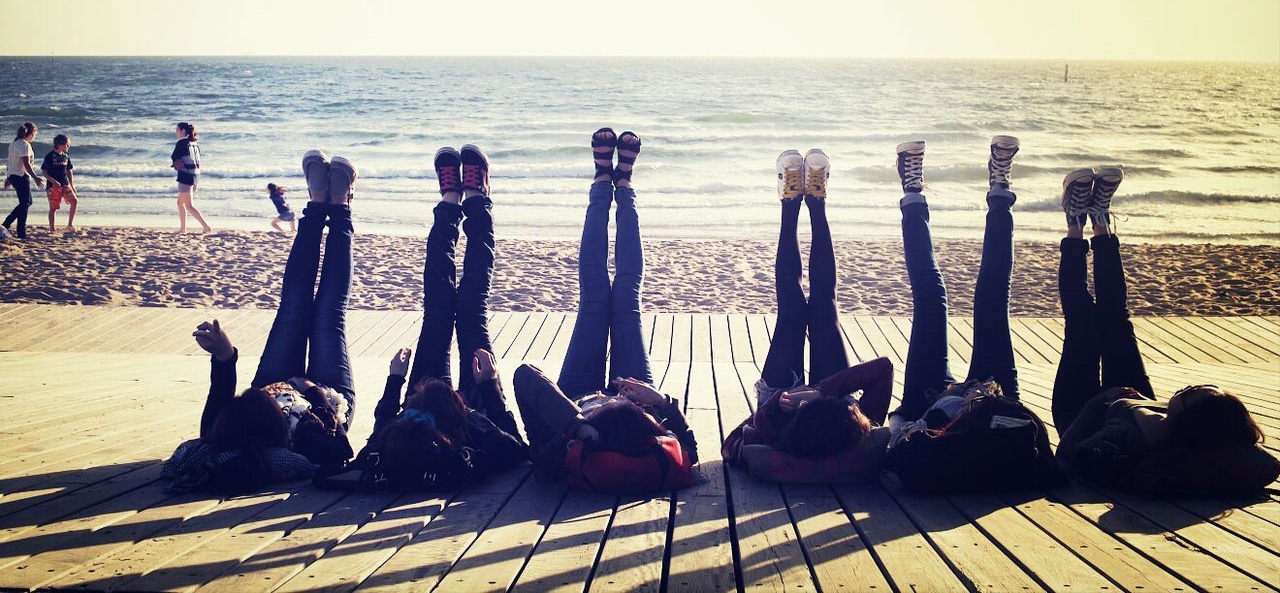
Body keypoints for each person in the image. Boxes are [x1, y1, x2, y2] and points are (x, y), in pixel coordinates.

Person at [1052, 168, 1279, 496]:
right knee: (1117, 319)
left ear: (1188, 417)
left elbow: (1067, 456)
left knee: (1082, 323)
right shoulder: (1194, 427)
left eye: (1196, 392)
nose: (1193, 386)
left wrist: (1104, 399)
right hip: (1136, 394)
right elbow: (1262, 459)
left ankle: (1074, 221)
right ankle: (1099, 219)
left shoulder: (1126, 441)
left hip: (1082, 410)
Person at [325, 144, 528, 492]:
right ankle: (475, 199)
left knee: (440, 309)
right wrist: (490, 388)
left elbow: (380, 433)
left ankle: (452, 200)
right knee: (468, 308)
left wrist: (395, 383)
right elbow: (516, 448)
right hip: (473, 408)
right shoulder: (464, 456)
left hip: (421, 401)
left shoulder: (390, 456)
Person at [162, 151, 360, 493]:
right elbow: (340, 449)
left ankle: (321, 203)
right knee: (327, 313)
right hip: (327, 400)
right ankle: (336, 206)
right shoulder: (302, 448)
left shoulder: (217, 438)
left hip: (272, 385)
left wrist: (225, 357)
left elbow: (220, 394)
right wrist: (310, 391)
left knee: (298, 307)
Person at [514, 129, 698, 493]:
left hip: (578, 395)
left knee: (599, 293)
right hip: (634, 399)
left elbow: (525, 377)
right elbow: (690, 452)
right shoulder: (656, 460)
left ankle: (605, 182)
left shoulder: (572, 458)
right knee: (625, 293)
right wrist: (658, 402)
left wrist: (580, 423)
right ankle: (623, 186)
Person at [882, 137, 1063, 493]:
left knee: (934, 299)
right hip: (993, 397)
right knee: (990, 300)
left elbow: (897, 443)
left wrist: (916, 420)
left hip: (928, 399)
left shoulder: (932, 466)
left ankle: (914, 191)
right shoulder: (1004, 464)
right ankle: (999, 188)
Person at [722, 149, 894, 482]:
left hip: (781, 394)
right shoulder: (858, 433)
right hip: (831, 393)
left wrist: (777, 405)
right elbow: (883, 369)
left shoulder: (776, 436)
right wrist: (824, 392)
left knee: (793, 310)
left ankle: (791, 203)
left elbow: (731, 444)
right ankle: (815, 200)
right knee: (822, 304)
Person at [3, 123, 44, 240]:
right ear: (31, 134)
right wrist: (35, 177)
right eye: (34, 134)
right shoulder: (24, 144)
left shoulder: (14, 143)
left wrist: (8, 177)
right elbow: (26, 163)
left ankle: (7, 223)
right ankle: (20, 232)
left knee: (26, 202)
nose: (34, 136)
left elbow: (10, 162)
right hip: (21, 176)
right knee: (25, 203)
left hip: (14, 175)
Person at [172, 121, 212, 234]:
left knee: (189, 205)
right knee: (180, 203)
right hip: (195, 176)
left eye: (177, 130)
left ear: (183, 131)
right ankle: (183, 229)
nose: (176, 132)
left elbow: (174, 156)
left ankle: (206, 226)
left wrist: (175, 163)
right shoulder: (194, 143)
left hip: (186, 176)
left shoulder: (181, 143)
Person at [41, 134, 78, 234]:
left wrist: (72, 185)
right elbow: (44, 172)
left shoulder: (66, 156)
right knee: (53, 208)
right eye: (67, 145)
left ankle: (70, 224)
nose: (68, 147)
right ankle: (52, 229)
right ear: (60, 144)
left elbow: (69, 170)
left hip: (65, 184)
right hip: (53, 186)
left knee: (74, 201)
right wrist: (53, 181)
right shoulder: (50, 156)